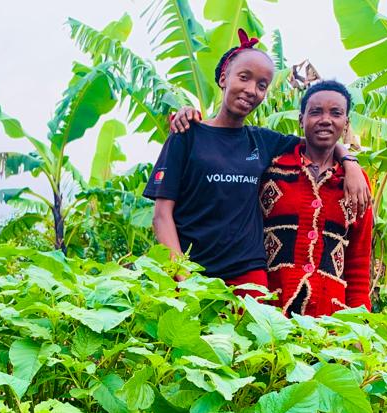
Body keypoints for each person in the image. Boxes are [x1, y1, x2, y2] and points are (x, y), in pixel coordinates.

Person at [145, 30, 370, 300]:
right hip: (190, 269)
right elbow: (161, 215)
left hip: (247, 274)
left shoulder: (262, 142)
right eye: (244, 77)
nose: (252, 90)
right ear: (223, 77)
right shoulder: (187, 134)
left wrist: (349, 161)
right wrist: (182, 274)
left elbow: (320, 136)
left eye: (262, 85)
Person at [259, 80, 372, 315]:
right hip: (269, 312)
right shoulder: (271, 169)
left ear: (346, 123)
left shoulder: (356, 184)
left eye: (336, 113)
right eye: (316, 112)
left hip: (329, 318)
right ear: (301, 120)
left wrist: (360, 325)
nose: (325, 120)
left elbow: (358, 264)